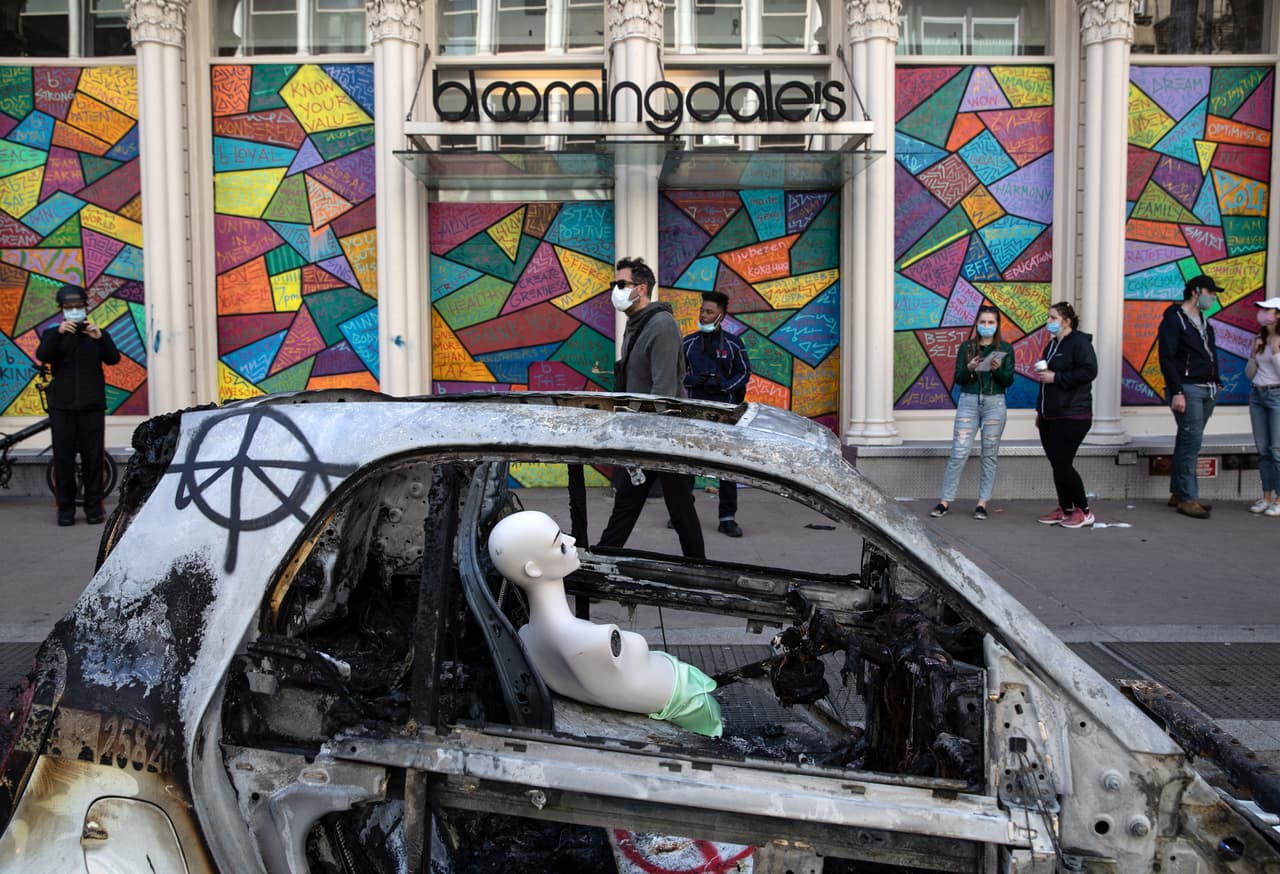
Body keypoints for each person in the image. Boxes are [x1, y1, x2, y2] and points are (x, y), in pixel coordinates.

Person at [488, 510, 722, 736]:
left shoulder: (527, 637)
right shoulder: (592, 640)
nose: (572, 541)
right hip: (692, 706)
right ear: (533, 569)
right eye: (559, 544)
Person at [598, 257, 706, 559]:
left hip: (662, 437)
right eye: (614, 285)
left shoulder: (661, 326)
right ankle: (603, 563)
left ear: (641, 288)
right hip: (642, 434)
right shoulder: (635, 324)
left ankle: (700, 570)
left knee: (680, 509)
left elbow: (663, 391)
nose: (615, 290)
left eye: (621, 284)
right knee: (629, 505)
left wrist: (647, 441)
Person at [35, 284, 120, 527]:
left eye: (78, 307)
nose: (74, 311)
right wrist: (60, 333)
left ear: (85, 307)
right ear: (61, 310)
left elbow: (113, 359)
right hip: (61, 407)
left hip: (92, 406)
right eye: (69, 308)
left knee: (93, 459)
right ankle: (66, 510)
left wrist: (100, 338)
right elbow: (44, 356)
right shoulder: (53, 334)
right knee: (64, 459)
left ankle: (94, 509)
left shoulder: (97, 334)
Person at [929, 305, 1015, 521]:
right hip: (968, 401)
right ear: (977, 324)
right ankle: (944, 501)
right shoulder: (967, 347)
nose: (987, 326)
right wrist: (969, 367)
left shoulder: (1006, 348)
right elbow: (958, 379)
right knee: (959, 451)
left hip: (995, 402)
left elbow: (1008, 381)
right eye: (983, 322)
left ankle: (982, 503)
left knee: (989, 454)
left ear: (997, 325)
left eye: (991, 323)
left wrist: (996, 368)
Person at [682, 290, 751, 537]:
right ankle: (682, 514)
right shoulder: (688, 343)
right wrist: (694, 380)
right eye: (702, 310)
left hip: (725, 414)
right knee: (688, 462)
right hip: (695, 412)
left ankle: (727, 518)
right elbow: (677, 374)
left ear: (721, 315)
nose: (704, 315)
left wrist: (723, 386)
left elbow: (744, 373)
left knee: (726, 466)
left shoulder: (734, 344)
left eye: (709, 311)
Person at [1157, 274, 1223, 519]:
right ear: (1196, 291)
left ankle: (1178, 491)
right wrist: (1177, 391)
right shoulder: (1174, 320)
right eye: (1211, 292)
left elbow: (1210, 353)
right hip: (1188, 389)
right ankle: (1188, 497)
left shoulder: (1203, 320)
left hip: (1207, 388)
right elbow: (1167, 358)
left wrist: (1217, 380)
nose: (1213, 297)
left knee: (1187, 440)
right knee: (1191, 442)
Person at [1034, 301, 1098, 529]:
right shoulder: (1053, 345)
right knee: (1057, 463)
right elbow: (1045, 380)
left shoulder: (1079, 342)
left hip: (1073, 414)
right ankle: (1065, 508)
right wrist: (1039, 410)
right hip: (1049, 414)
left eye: (1053, 318)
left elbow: (1090, 371)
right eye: (1048, 318)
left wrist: (1057, 378)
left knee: (1062, 462)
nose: (1048, 322)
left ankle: (1084, 510)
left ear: (1067, 321)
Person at [1246, 296, 1280, 517]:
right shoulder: (1259, 339)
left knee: (1277, 450)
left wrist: (1276, 351)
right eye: (1262, 310)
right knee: (1263, 450)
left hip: (1276, 395)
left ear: (1278, 314)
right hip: (1257, 394)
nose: (1263, 314)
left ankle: (1278, 498)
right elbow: (1250, 374)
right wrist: (1253, 354)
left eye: (1268, 310)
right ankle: (1266, 496)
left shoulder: (1277, 342)